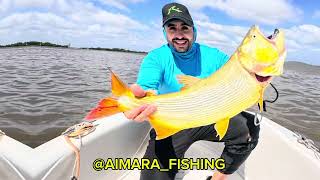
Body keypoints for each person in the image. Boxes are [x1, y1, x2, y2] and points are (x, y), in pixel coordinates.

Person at [123, 2, 260, 180]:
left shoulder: (215, 55)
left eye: (185, 28)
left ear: (194, 30)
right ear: (165, 32)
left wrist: (257, 79)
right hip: (176, 120)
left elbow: (238, 75)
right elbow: (146, 87)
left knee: (249, 128)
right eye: (172, 28)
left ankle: (218, 178)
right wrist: (135, 98)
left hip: (212, 115)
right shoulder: (156, 58)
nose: (179, 35)